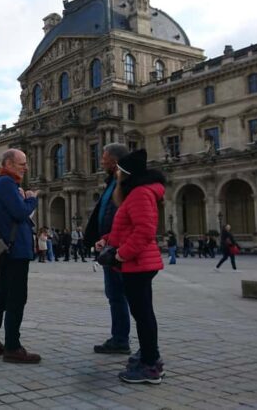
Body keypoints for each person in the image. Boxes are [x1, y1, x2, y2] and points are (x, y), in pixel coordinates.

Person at [95, 149, 166, 384]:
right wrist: (108, 239)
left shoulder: (138, 194)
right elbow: (127, 227)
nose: (116, 176)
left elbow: (144, 231)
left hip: (138, 262)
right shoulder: (136, 193)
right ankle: (149, 357)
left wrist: (121, 255)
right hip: (138, 261)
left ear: (126, 174)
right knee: (143, 312)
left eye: (119, 172)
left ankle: (150, 365)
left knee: (143, 314)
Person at [0, 149, 40, 364]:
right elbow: (20, 213)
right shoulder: (6, 183)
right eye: (21, 163)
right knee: (15, 298)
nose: (25, 167)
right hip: (15, 251)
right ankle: (13, 347)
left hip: (10, 249)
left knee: (3, 295)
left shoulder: (5, 184)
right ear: (8, 163)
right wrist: (32, 199)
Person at [84, 143, 131, 356]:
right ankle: (119, 337)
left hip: (118, 248)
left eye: (103, 158)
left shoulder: (124, 182)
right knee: (115, 294)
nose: (100, 161)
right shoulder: (113, 181)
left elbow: (121, 216)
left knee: (120, 295)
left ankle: (121, 339)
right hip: (110, 245)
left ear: (113, 161)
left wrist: (112, 240)